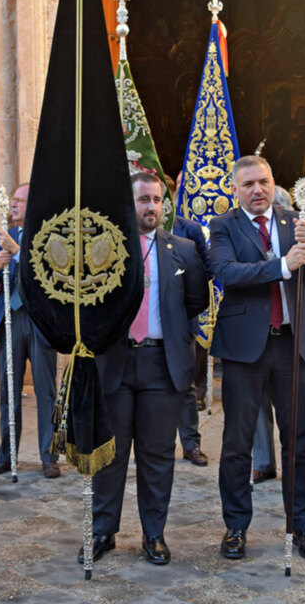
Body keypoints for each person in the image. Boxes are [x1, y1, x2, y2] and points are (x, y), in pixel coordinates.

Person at [209, 155, 305, 562]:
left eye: (263, 182)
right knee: (237, 443)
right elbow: (228, 274)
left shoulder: (294, 221)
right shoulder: (223, 226)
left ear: (273, 182)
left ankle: (302, 526)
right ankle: (235, 528)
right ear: (236, 190)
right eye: (248, 184)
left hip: (293, 346)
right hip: (245, 350)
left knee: (299, 442)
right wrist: (283, 265)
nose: (258, 190)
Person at [80, 172, 209, 565]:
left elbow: (196, 301)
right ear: (128, 203)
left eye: (156, 200)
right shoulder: (104, 247)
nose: (150, 206)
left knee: (157, 455)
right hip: (115, 363)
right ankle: (103, 531)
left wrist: (163, 329)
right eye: (143, 200)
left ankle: (154, 534)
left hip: (161, 365)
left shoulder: (184, 250)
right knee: (110, 455)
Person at [0, 183, 60, 479]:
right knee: (8, 394)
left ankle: (49, 457)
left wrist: (18, 253)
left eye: (20, 200)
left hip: (39, 322)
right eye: (12, 200)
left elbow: (50, 273)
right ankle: (6, 455)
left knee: (45, 391)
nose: (13, 205)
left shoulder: (50, 234)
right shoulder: (4, 237)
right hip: (10, 322)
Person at [252, 184, 292, 485]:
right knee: (257, 403)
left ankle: (294, 469)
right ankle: (264, 462)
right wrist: (280, 266)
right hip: (254, 336)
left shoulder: (296, 231)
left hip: (290, 335)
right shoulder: (239, 231)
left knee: (292, 412)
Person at [172, 204, 214, 468]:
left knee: (186, 386)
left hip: (181, 319)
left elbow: (207, 270)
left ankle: (191, 444)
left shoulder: (189, 229)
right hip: (143, 324)